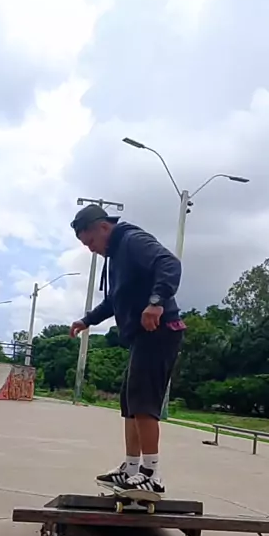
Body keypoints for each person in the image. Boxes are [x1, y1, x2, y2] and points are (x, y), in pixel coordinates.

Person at [70, 203, 185, 496]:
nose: (91, 249)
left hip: (160, 331)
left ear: (104, 227)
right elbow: (114, 300)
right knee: (131, 403)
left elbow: (169, 264)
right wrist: (87, 320)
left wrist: (156, 302)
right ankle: (132, 468)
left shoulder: (133, 240)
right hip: (141, 336)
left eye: (91, 241)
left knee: (144, 402)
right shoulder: (115, 256)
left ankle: (151, 474)